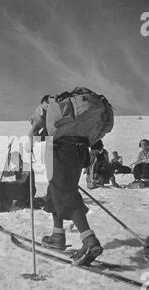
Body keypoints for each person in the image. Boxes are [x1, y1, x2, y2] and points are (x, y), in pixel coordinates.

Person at [29, 95, 103, 266]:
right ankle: (57, 235)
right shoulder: (74, 111)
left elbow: (36, 132)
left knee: (66, 193)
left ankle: (89, 239)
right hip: (80, 150)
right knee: (55, 191)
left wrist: (31, 142)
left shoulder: (47, 107)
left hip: (60, 151)